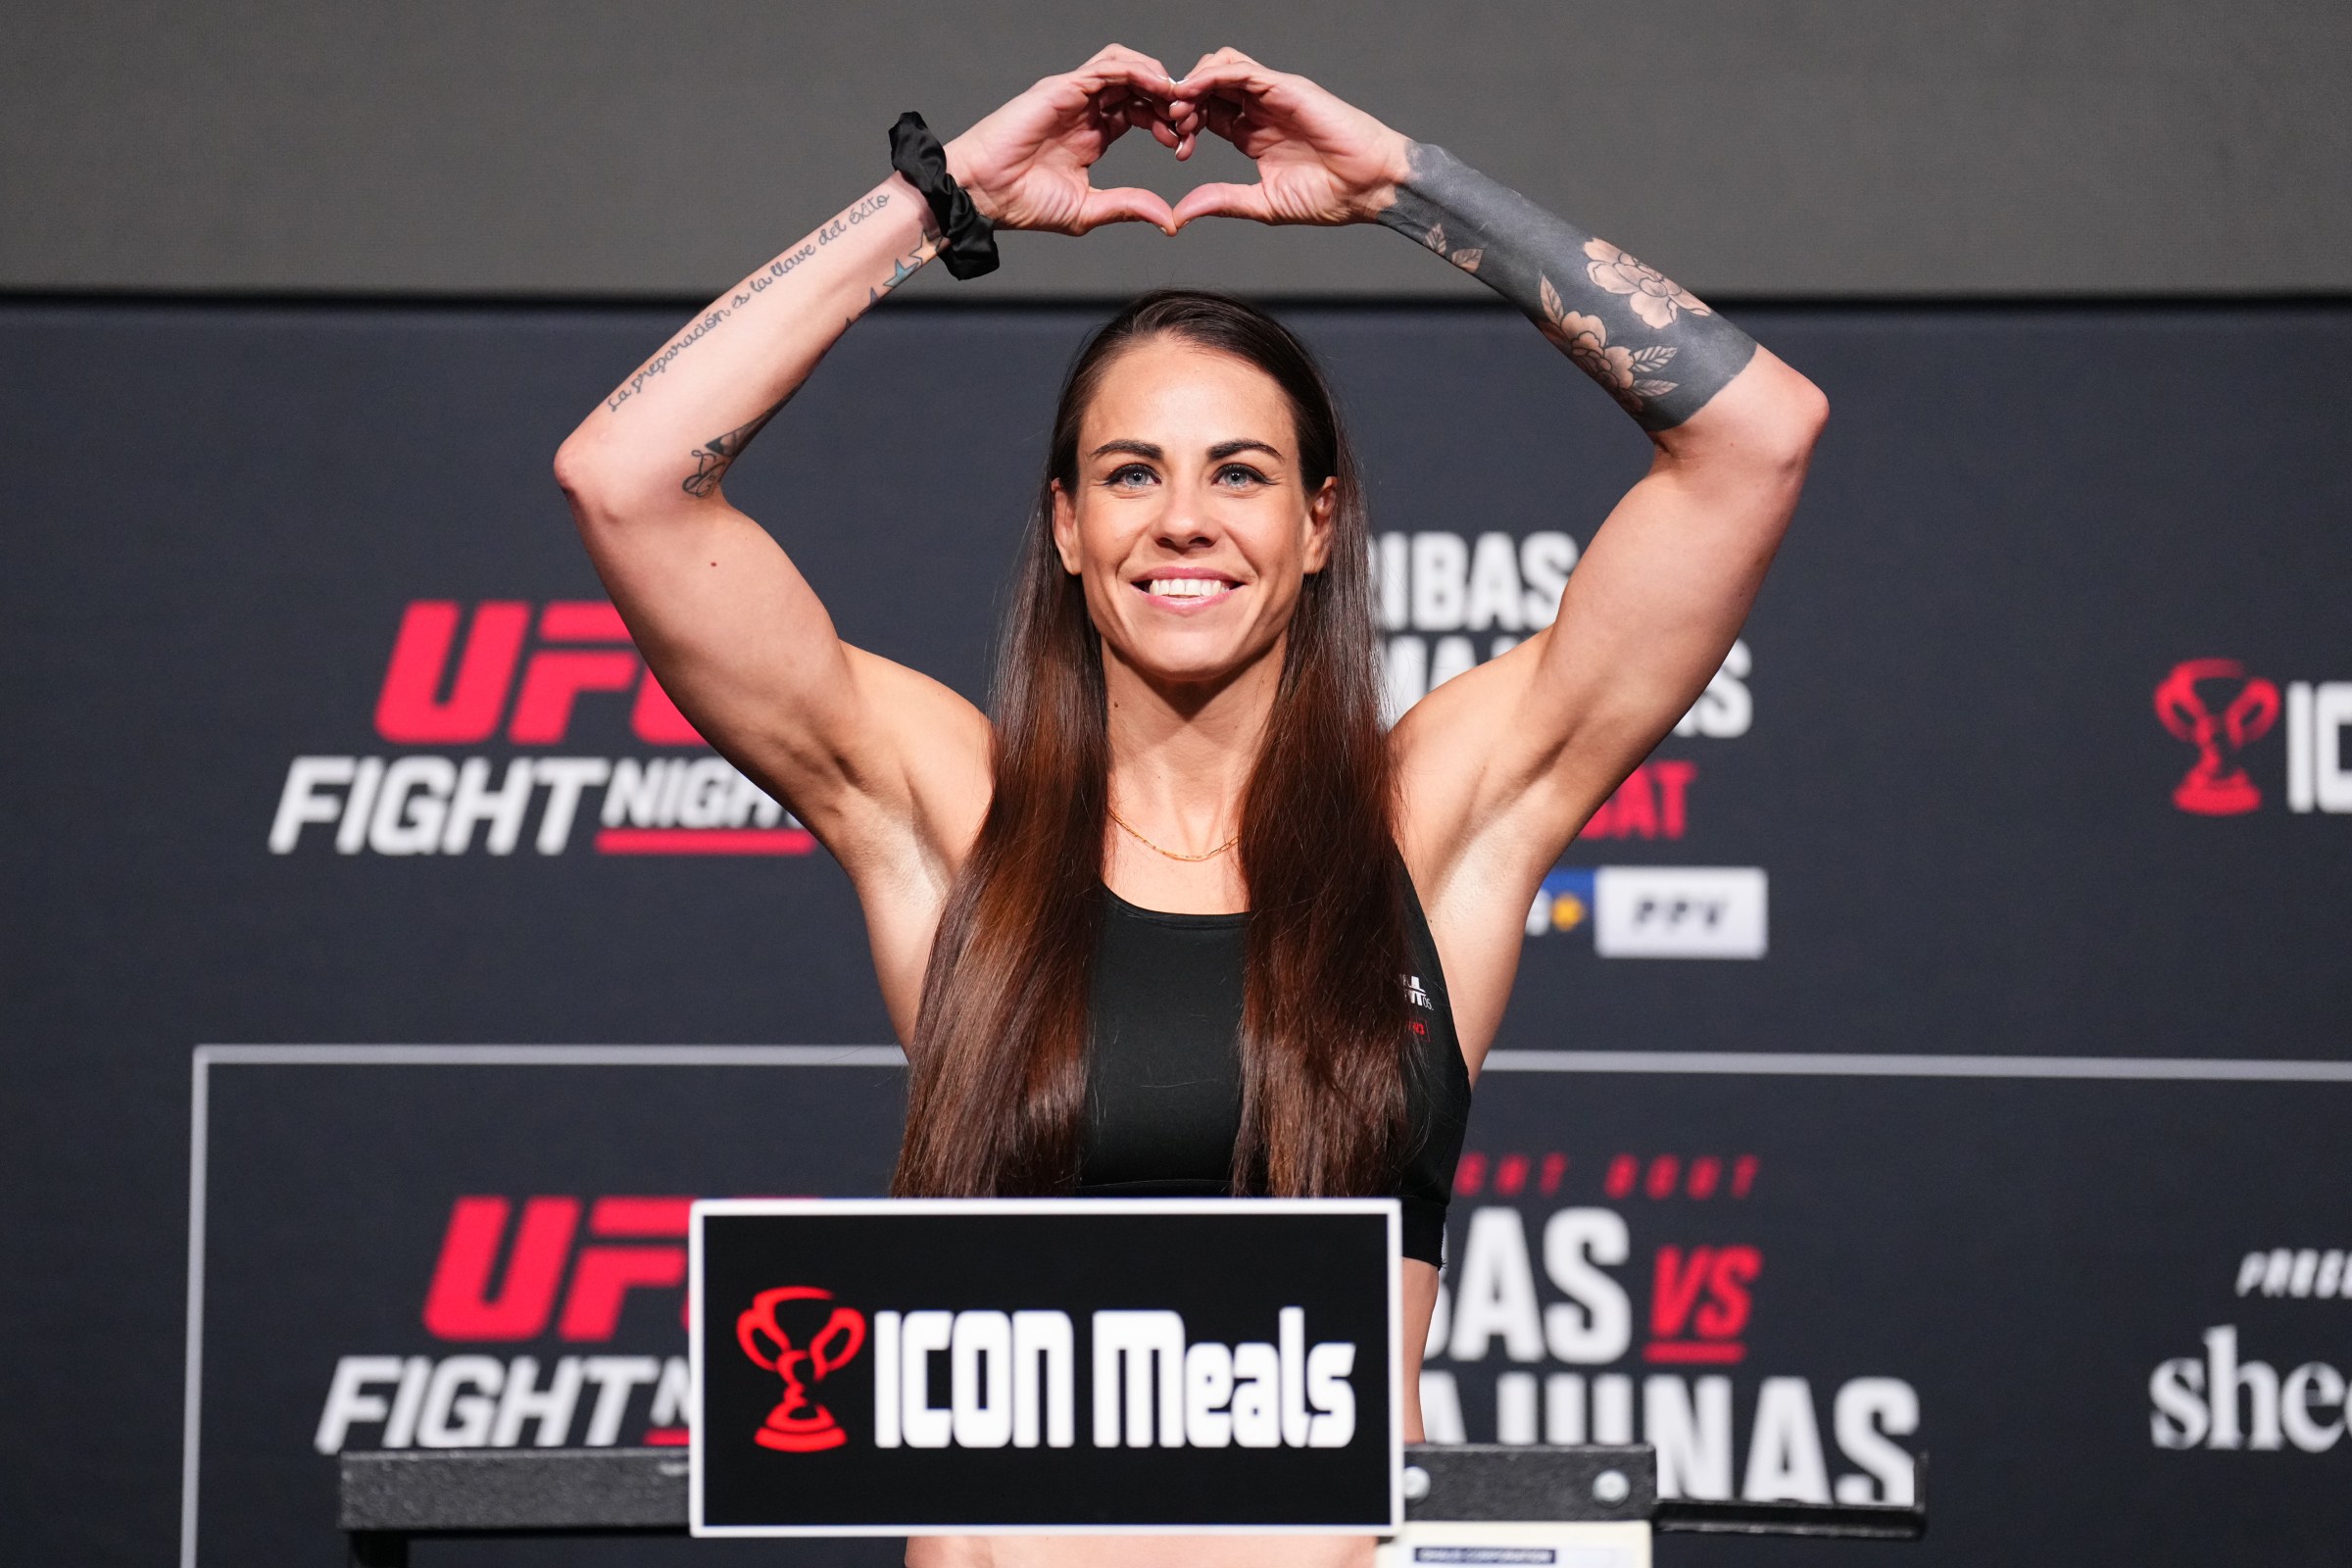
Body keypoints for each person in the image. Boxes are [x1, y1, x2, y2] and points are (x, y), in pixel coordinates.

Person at [556, 43, 1826, 1568]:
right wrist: (941, 197)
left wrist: (1402, 191)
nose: (1184, 522)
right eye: (1130, 475)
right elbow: (626, 476)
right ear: (1069, 529)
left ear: (1315, 525)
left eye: (1240, 475)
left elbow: (1756, 437)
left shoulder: (1428, 825)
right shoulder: (958, 818)